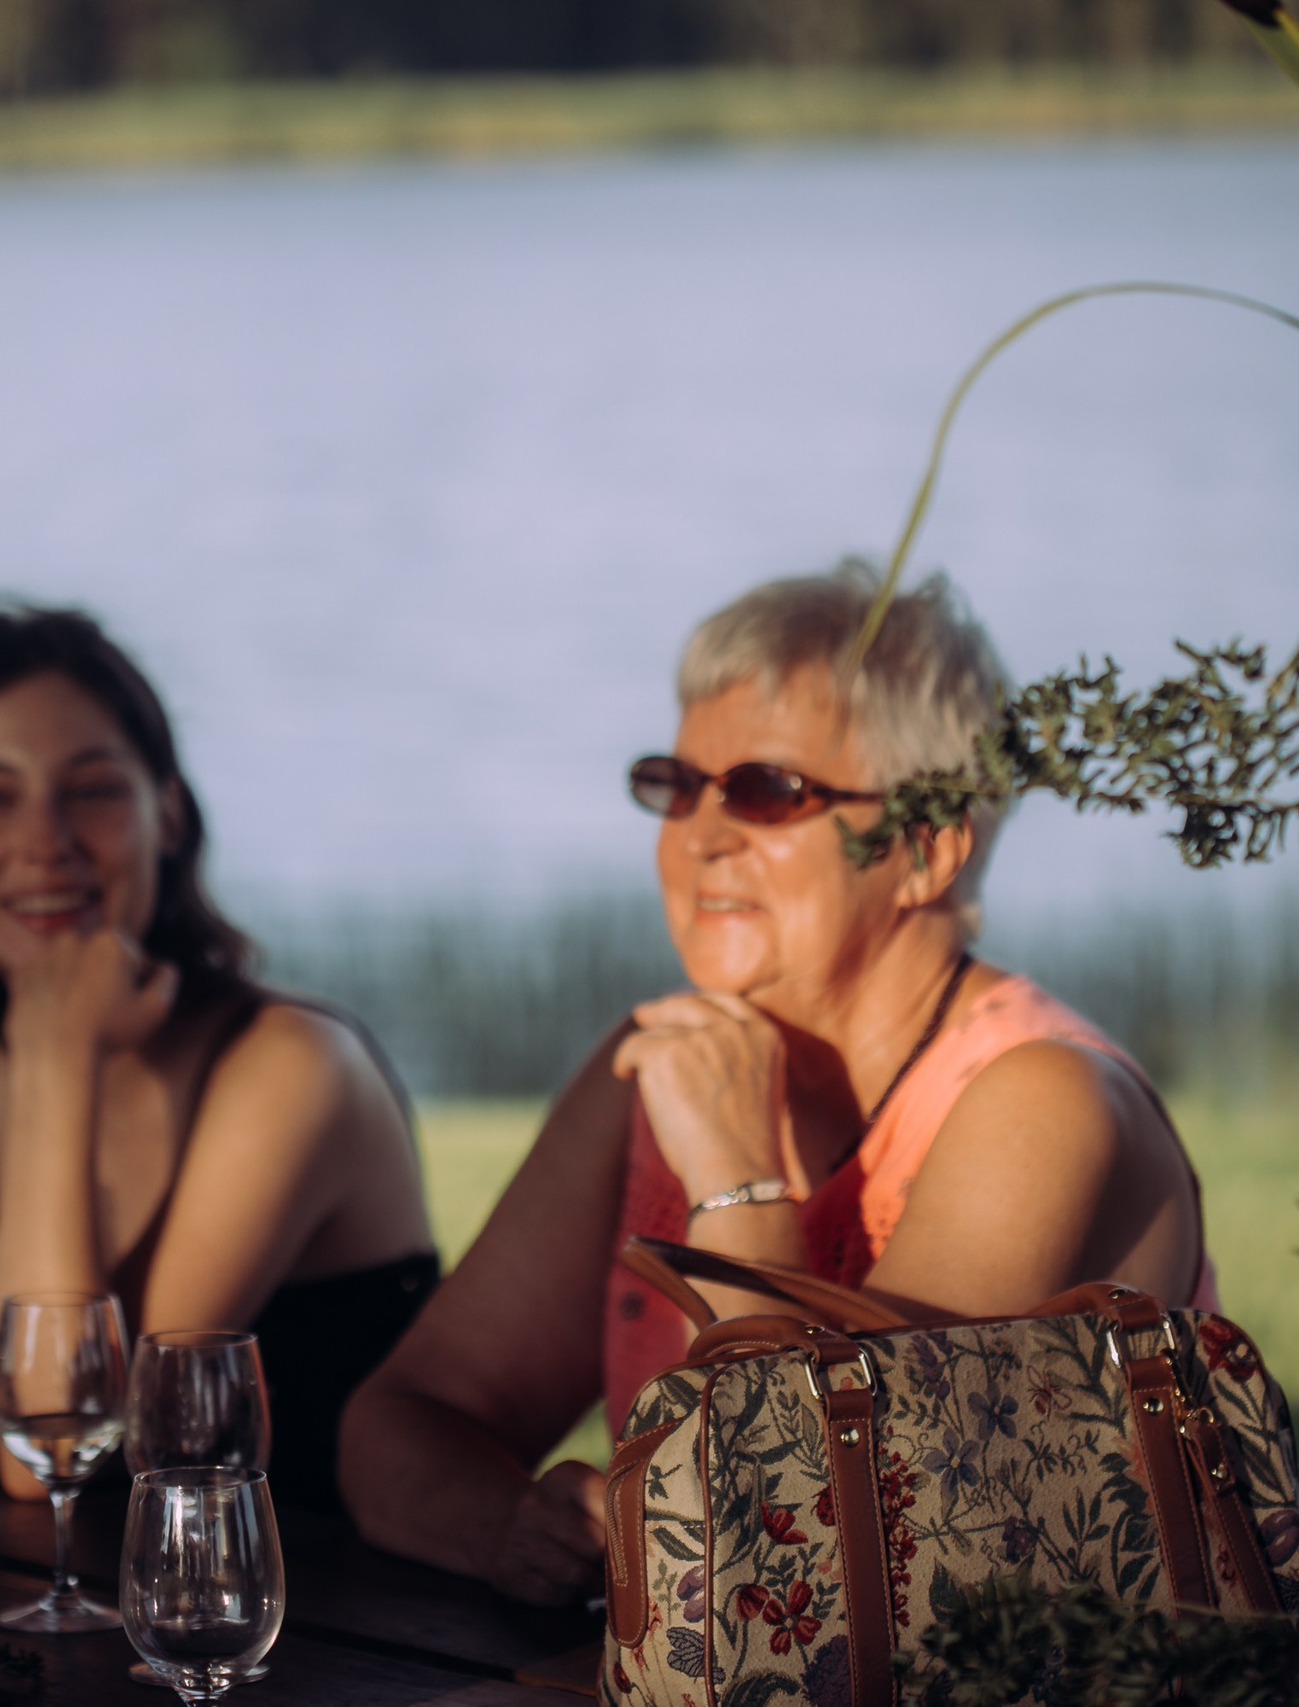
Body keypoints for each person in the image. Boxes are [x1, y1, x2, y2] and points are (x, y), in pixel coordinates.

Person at [340, 563, 1216, 1604]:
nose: (701, 836)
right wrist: (515, 1530)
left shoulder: (1041, 1101)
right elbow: (400, 1425)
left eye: (768, 791)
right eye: (677, 785)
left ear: (928, 851)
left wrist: (736, 1185)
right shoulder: (656, 1071)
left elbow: (828, 1540)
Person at [0, 606, 437, 1512]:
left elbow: (49, 1448)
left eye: (95, 790)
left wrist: (57, 1048)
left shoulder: (291, 1067)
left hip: (336, 1630)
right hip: (113, 1612)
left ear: (170, 816)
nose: (45, 840)